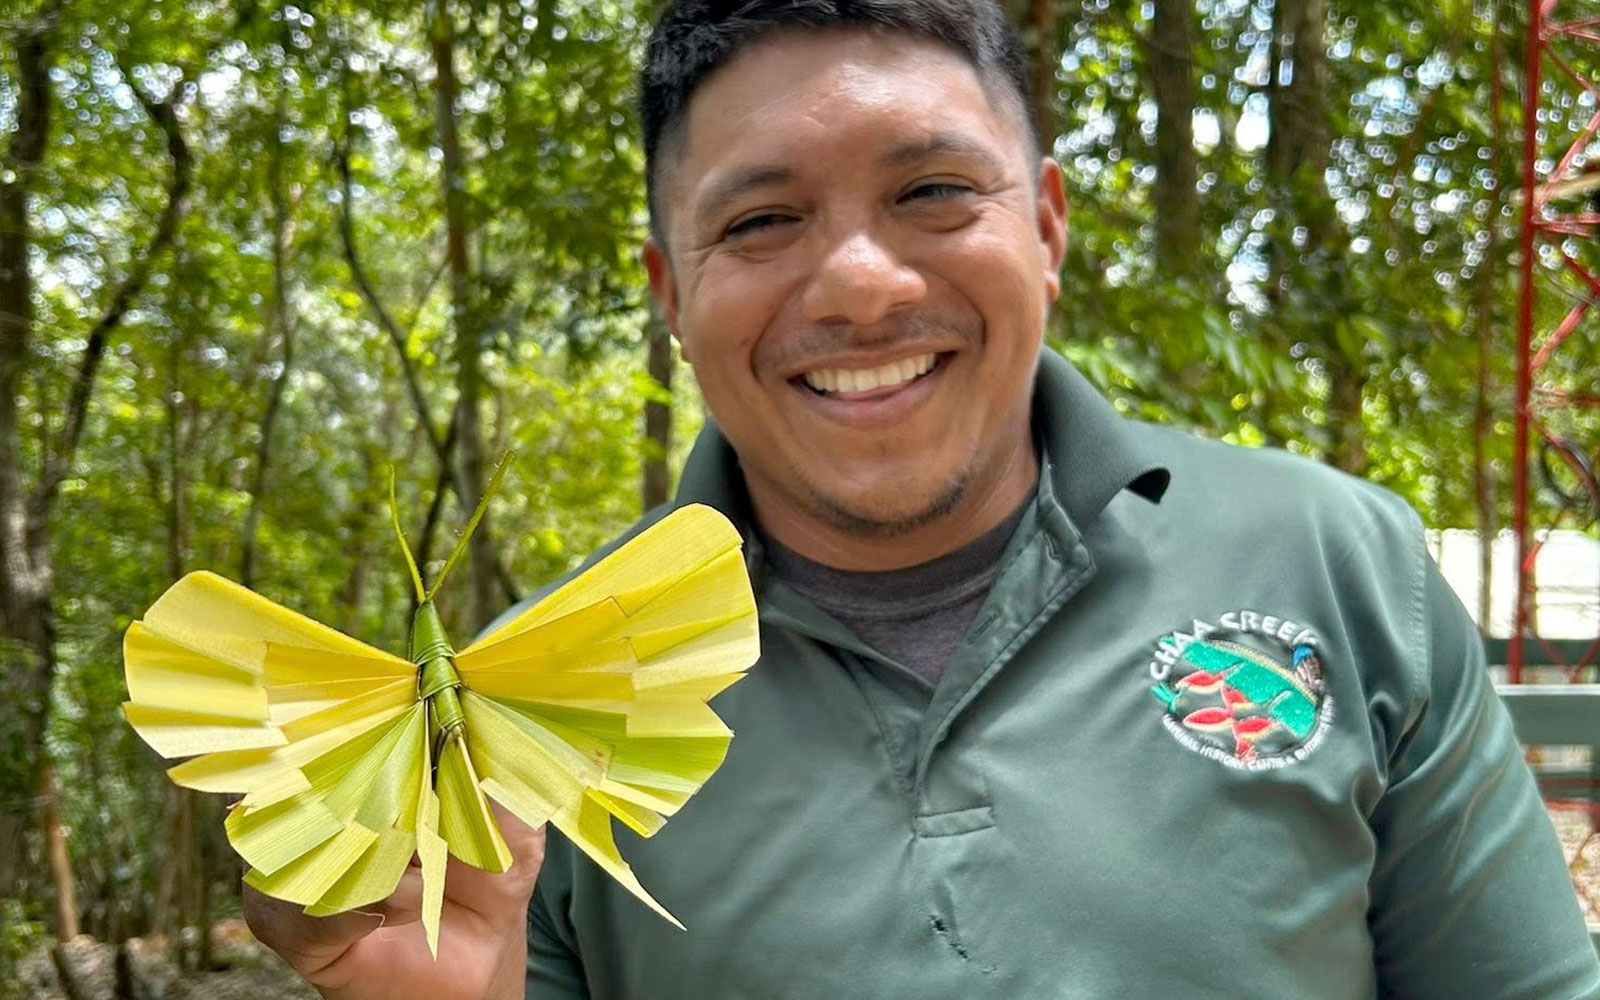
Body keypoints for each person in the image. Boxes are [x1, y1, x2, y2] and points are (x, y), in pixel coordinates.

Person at [245, 1, 1600, 997]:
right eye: (762, 221)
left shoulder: (1337, 559)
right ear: (671, 292)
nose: (860, 284)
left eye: (935, 191)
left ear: (1049, 230)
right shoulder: (528, 710)